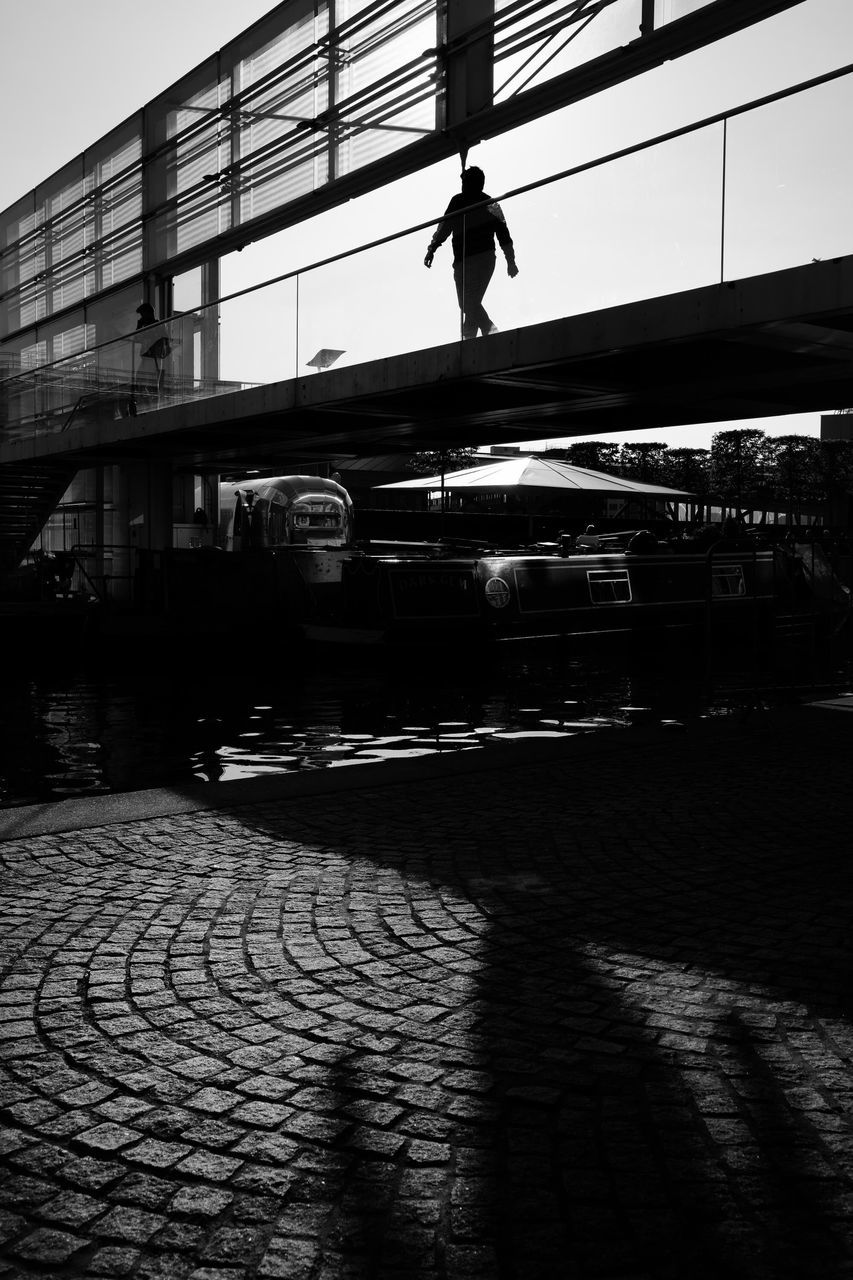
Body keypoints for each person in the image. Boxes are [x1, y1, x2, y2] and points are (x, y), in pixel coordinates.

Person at [424, 165, 518, 339]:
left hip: (478, 260)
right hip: (469, 261)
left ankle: (489, 329)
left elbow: (503, 234)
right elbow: (445, 227)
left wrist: (511, 261)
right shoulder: (472, 202)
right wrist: (432, 248)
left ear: (474, 184)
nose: (462, 186)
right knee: (472, 303)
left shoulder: (484, 204)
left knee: (468, 303)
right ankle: (469, 340)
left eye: (465, 182)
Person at [134, 302, 171, 397]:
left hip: (154, 358)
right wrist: (139, 326)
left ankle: (149, 397)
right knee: (139, 378)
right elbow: (136, 339)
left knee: (150, 380)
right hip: (147, 357)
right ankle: (144, 395)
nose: (142, 317)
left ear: (148, 314)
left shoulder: (158, 325)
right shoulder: (145, 326)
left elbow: (166, 341)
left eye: (143, 314)